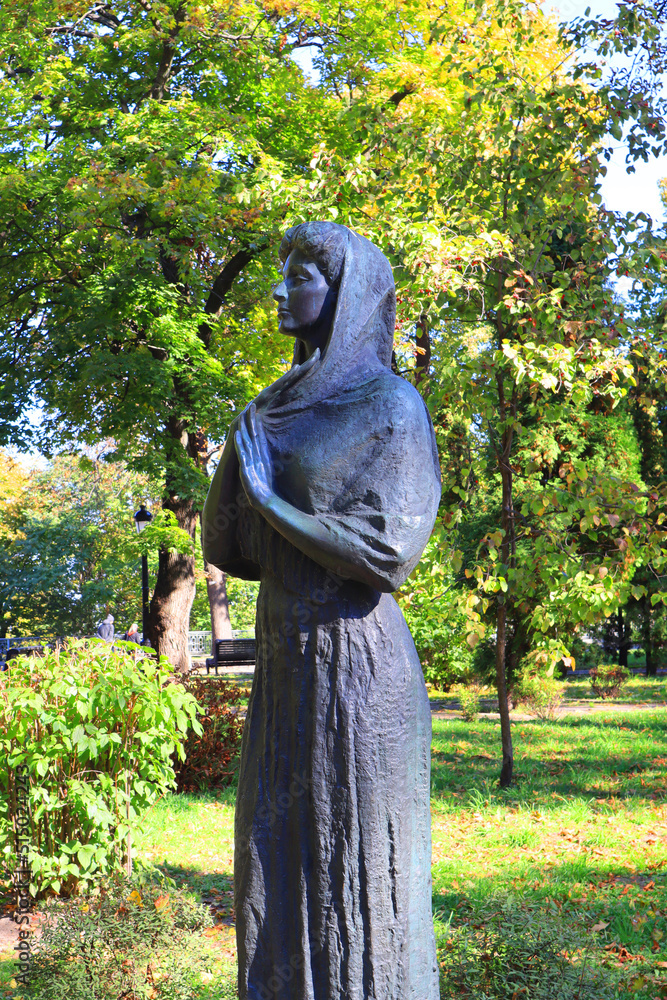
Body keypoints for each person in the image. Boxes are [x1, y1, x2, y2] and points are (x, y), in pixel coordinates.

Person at [202, 222, 441, 1000]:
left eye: (300, 276)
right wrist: (242, 452)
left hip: (358, 667)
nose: (278, 290)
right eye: (281, 273)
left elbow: (385, 553)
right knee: (276, 862)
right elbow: (228, 548)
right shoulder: (272, 409)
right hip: (286, 663)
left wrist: (270, 498)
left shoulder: (388, 404)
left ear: (346, 297)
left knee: (357, 875)